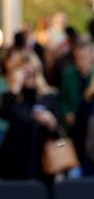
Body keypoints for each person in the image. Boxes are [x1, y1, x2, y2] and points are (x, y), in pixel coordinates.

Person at [0, 50, 61, 182]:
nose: (29, 77)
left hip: (42, 161)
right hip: (15, 161)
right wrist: (15, 88)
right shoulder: (12, 97)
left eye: (32, 72)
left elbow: (60, 135)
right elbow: (5, 114)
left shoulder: (49, 96)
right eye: (24, 73)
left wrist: (51, 122)